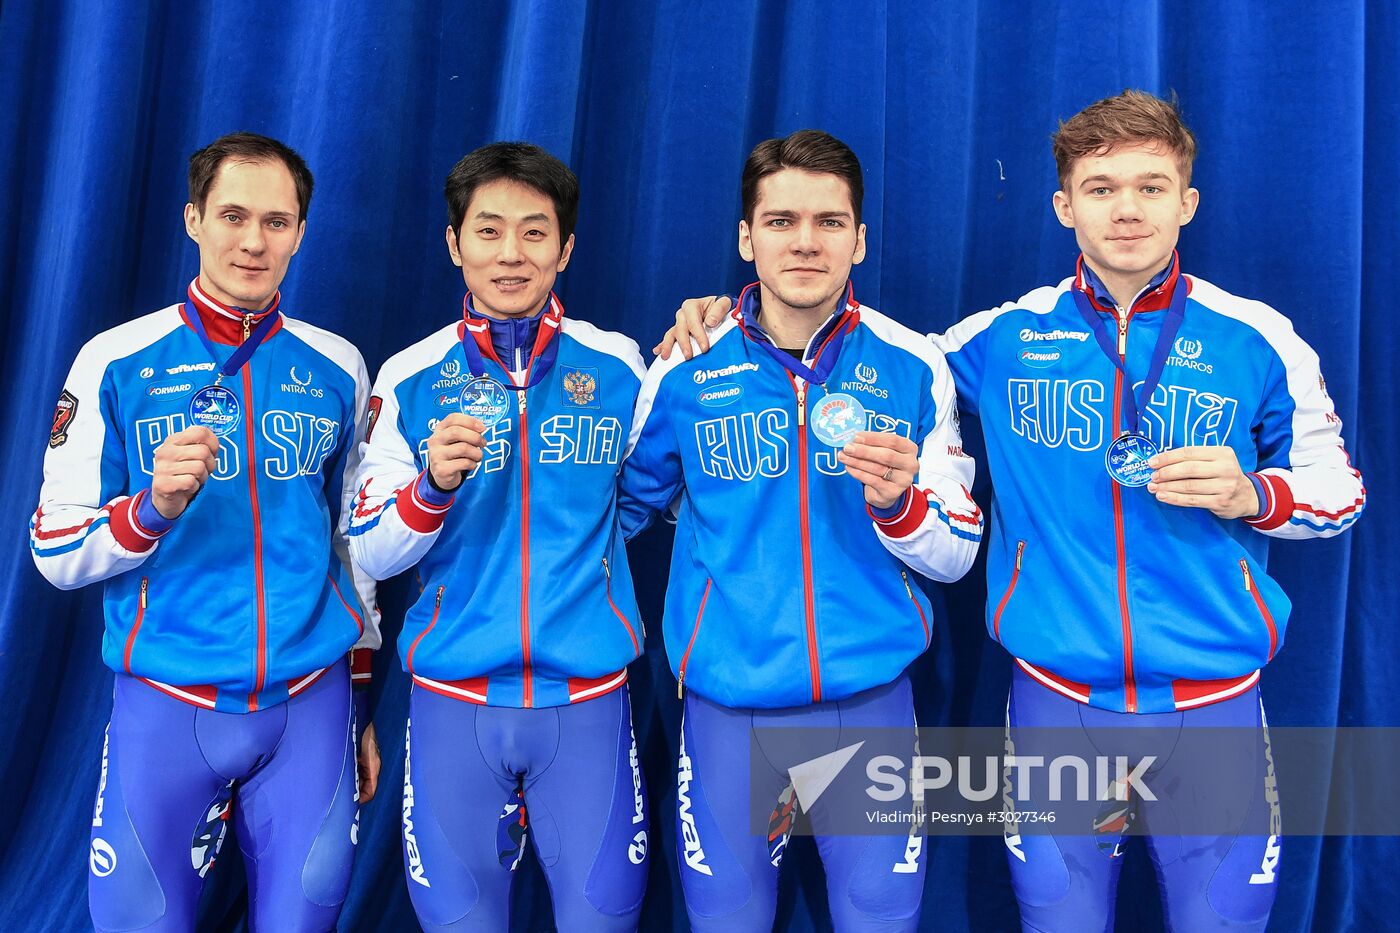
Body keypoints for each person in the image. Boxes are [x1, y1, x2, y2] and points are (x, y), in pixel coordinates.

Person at [658, 92, 1365, 932]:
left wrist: (1258, 493)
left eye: (1151, 185)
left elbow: (1342, 493)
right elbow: (863, 352)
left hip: (1213, 700)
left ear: (1189, 201)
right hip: (1056, 699)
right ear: (1064, 205)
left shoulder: (1261, 336)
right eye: (1101, 188)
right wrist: (719, 317)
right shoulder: (994, 339)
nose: (1128, 208)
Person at [622, 129, 983, 931]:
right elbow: (610, 517)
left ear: (860, 237)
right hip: (727, 712)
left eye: (829, 221)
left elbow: (957, 552)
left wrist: (901, 506)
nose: (806, 242)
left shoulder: (911, 363)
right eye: (781, 221)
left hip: (872, 706)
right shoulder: (684, 367)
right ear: (747, 237)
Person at [30, 132, 381, 932]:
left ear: (300, 231)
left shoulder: (338, 365)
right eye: (232, 215)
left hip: (309, 704)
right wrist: (147, 508)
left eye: (277, 221)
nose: (254, 241)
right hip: (167, 701)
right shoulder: (114, 360)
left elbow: (352, 551)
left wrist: (359, 699)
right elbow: (53, 549)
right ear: (193, 219)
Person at [347, 142, 650, 931]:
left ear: (566, 247)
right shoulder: (407, 375)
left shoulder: (622, 366)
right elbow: (372, 553)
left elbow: (655, 494)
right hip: (455, 704)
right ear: (454, 244)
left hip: (586, 702)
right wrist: (430, 489)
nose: (511, 254)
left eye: (534, 232)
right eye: (488, 231)